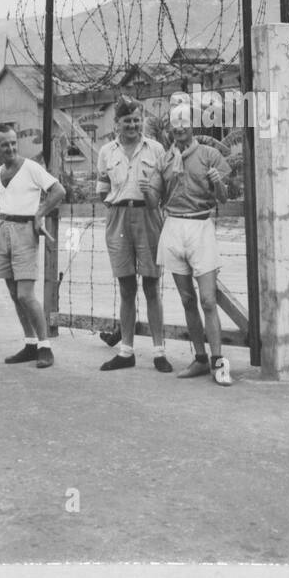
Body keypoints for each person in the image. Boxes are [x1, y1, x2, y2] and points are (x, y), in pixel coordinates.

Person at [142, 103, 233, 385]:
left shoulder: (210, 155)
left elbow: (224, 199)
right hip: (173, 227)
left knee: (207, 299)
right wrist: (147, 190)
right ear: (170, 127)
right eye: (174, 123)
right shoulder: (165, 160)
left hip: (200, 226)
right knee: (186, 299)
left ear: (193, 125)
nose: (179, 127)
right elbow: (154, 202)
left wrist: (218, 183)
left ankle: (219, 361)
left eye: (184, 122)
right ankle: (200, 358)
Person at [0, 128, 67, 368]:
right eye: (5, 145)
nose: (11, 148)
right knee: (14, 294)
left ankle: (45, 347)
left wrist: (39, 214)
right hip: (5, 232)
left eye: (13, 143)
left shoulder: (31, 168)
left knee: (25, 295)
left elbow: (58, 191)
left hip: (25, 232)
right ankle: (30, 344)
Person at [95, 96, 171, 372]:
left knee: (151, 285)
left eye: (137, 120)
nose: (133, 125)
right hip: (118, 218)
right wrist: (117, 204)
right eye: (127, 120)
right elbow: (102, 188)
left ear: (142, 121)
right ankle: (126, 351)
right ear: (117, 123)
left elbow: (165, 188)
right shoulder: (107, 152)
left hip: (148, 216)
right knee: (126, 287)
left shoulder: (156, 149)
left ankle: (159, 351)